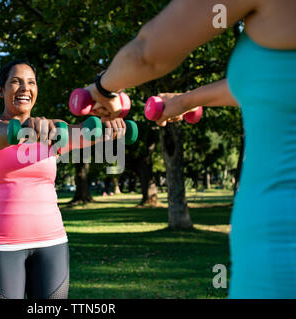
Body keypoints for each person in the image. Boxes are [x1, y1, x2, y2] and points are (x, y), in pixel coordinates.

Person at [82, 0, 296, 298]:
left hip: (281, 250)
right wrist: (186, 100)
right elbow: (271, 83)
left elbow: (148, 53)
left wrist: (102, 90)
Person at [0, 60, 127, 299]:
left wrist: (109, 126)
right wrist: (23, 129)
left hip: (52, 242)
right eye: (16, 81)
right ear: (0, 90)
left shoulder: (52, 130)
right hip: (0, 245)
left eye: (31, 82)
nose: (24, 88)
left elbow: (85, 132)